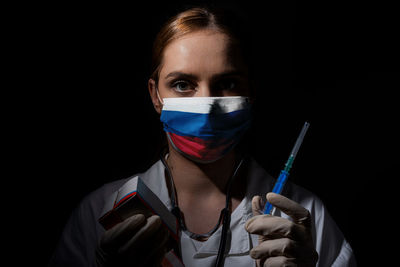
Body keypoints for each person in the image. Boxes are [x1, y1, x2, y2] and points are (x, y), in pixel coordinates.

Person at [49, 6, 356, 267]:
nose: (208, 107)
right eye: (183, 84)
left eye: (228, 83)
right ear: (155, 96)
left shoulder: (303, 213)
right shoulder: (99, 210)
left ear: (251, 92)